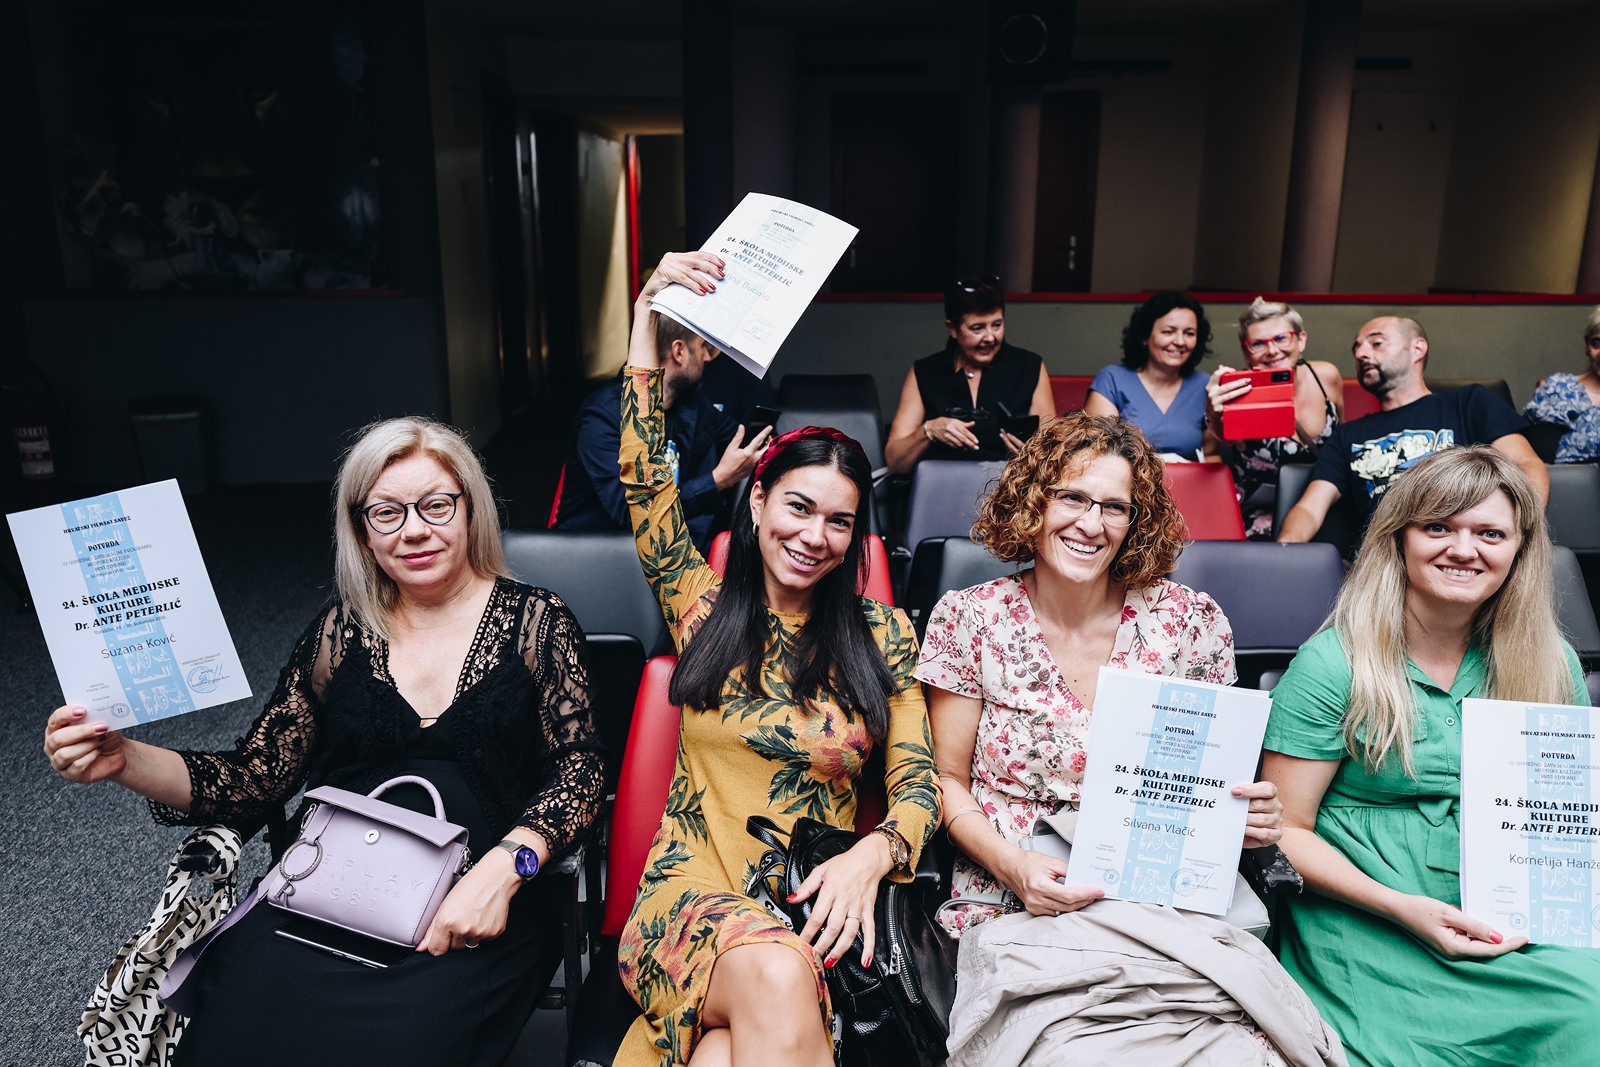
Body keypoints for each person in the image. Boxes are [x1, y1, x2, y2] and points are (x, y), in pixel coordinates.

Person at [44, 417, 606, 1066]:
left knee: (400, 1046)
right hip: (324, 889)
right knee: (231, 1021)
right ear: (362, 531)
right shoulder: (341, 631)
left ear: (470, 510)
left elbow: (582, 774)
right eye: (387, 512)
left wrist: (507, 870)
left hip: (466, 906)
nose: (414, 529)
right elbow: (255, 776)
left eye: (436, 505)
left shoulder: (538, 622)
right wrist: (124, 759)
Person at [916, 414, 1331, 1062]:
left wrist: (1250, 815)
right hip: (1018, 898)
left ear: (1136, 521)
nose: (1092, 523)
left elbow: (1212, 783)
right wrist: (1011, 866)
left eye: (1115, 506)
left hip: (1163, 903)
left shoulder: (1188, 622)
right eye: (1073, 498)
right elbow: (946, 779)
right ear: (1034, 500)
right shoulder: (971, 619)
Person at [615, 252, 941, 1067]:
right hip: (686, 899)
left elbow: (918, 786)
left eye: (839, 521)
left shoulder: (884, 634)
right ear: (758, 501)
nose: (813, 536)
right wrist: (647, 316)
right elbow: (645, 478)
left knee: (729, 1048)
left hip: (814, 904)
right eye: (798, 506)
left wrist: (873, 854)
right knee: (776, 971)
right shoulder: (698, 605)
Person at [1262, 445, 1600, 1067]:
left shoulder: (1549, 662)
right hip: (1367, 912)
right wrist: (1402, 908)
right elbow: (1285, 829)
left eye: (1490, 533)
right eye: (1438, 527)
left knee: (1590, 1010)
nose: (1463, 549)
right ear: (1400, 538)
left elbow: (1567, 821)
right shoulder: (1332, 662)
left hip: (1511, 906)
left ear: (1519, 550)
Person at [1278, 316, 1548, 544]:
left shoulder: (1470, 403)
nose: (1360, 354)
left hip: (1463, 544)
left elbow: (1525, 464)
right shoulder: (1348, 435)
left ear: (1417, 348)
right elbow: (1309, 509)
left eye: (1376, 343)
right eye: (1357, 348)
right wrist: (1283, 554)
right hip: (1384, 560)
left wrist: (1519, 534)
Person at [555, 315, 771, 552]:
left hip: (665, 550)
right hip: (596, 553)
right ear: (679, 351)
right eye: (702, 346)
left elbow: (744, 438)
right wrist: (718, 480)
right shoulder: (604, 416)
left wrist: (770, 444)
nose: (708, 356)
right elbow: (633, 513)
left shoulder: (691, 404)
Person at [885, 275, 1054, 474]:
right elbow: (896, 463)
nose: (990, 337)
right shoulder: (925, 371)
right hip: (939, 483)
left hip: (1007, 484)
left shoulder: (1029, 366)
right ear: (952, 329)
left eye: (997, 325)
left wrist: (1031, 456)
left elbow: (1054, 456)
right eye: (977, 328)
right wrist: (929, 430)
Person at [1206, 298, 1344, 538]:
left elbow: (1343, 440)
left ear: (1301, 340)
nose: (1272, 350)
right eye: (1258, 343)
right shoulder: (1239, 391)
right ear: (1246, 352)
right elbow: (1221, 438)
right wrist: (1213, 411)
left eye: (1281, 338)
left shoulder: (1326, 377)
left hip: (1325, 510)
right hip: (1257, 519)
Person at [1084, 291, 1216, 461]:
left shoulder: (1204, 385)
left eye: (1189, 333)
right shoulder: (1112, 380)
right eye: (1168, 332)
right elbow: (1099, 453)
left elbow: (1212, 455)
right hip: (1128, 477)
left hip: (1191, 477)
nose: (1180, 341)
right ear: (1145, 337)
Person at [1522, 304, 1600, 463]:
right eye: (1596, 343)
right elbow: (1541, 459)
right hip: (1565, 477)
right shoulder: (1560, 389)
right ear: (1587, 346)